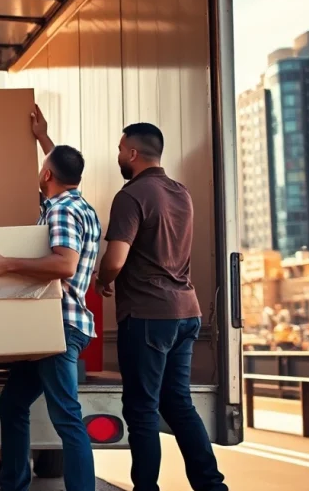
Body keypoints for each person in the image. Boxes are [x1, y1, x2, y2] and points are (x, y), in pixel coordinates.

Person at [0, 105, 100, 491]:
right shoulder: (78, 204)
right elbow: (62, 170)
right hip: (43, 331)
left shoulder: (62, 212)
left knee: (67, 416)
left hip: (58, 327)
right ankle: (14, 485)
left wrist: (5, 264)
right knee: (12, 405)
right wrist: (43, 138)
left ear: (47, 174)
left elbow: (65, 265)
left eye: (43, 167)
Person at [94, 123, 227, 491]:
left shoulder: (132, 195)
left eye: (121, 149)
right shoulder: (180, 192)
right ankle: (212, 486)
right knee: (178, 403)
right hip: (186, 312)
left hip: (148, 317)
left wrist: (103, 279)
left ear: (133, 153)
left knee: (141, 411)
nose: (119, 155)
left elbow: (116, 258)